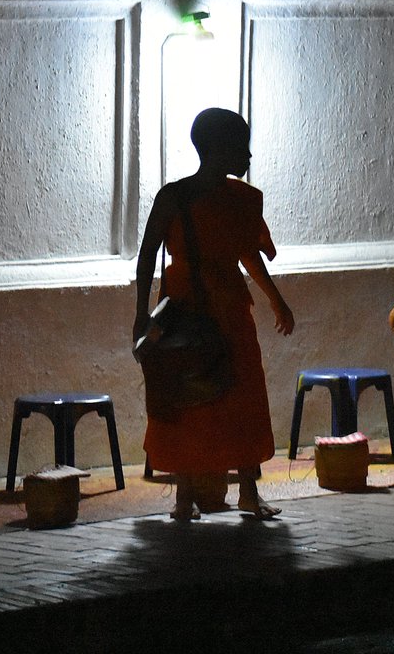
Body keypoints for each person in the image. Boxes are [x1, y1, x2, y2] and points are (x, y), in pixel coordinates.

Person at [132, 108, 294, 521]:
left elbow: (247, 254)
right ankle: (186, 496)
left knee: (235, 398)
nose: (248, 155)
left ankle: (244, 492)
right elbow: (147, 253)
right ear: (218, 149)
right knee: (190, 397)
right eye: (241, 146)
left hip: (215, 307)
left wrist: (276, 299)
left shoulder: (237, 199)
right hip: (197, 309)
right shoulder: (175, 196)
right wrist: (140, 314)